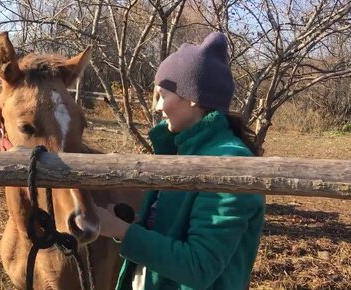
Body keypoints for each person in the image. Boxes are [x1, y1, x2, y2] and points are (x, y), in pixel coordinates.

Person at [96, 32, 265, 290]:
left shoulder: (230, 163)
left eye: (163, 95)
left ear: (193, 96)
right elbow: (169, 234)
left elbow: (198, 266)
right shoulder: (180, 149)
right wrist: (131, 224)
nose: (157, 107)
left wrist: (122, 232)